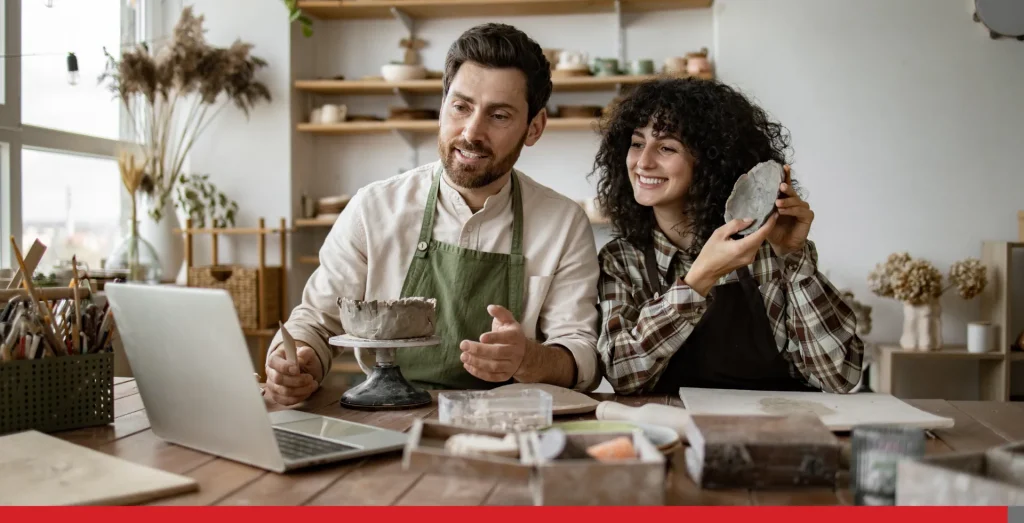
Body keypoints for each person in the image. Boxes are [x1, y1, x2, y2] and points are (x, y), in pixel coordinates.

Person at [262, 23, 602, 406]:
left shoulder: (563, 223)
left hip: (512, 423)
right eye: (461, 106)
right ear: (443, 106)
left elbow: (581, 354)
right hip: (386, 417)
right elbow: (316, 320)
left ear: (534, 127)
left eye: (499, 115)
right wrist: (294, 363)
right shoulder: (374, 208)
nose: (471, 132)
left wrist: (530, 358)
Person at [592, 77, 863, 395]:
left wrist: (794, 257)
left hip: (777, 428)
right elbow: (623, 376)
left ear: (711, 160)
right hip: (675, 433)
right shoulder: (621, 259)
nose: (643, 162)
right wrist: (699, 279)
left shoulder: (764, 250)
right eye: (637, 143)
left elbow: (839, 377)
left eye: (666, 147)